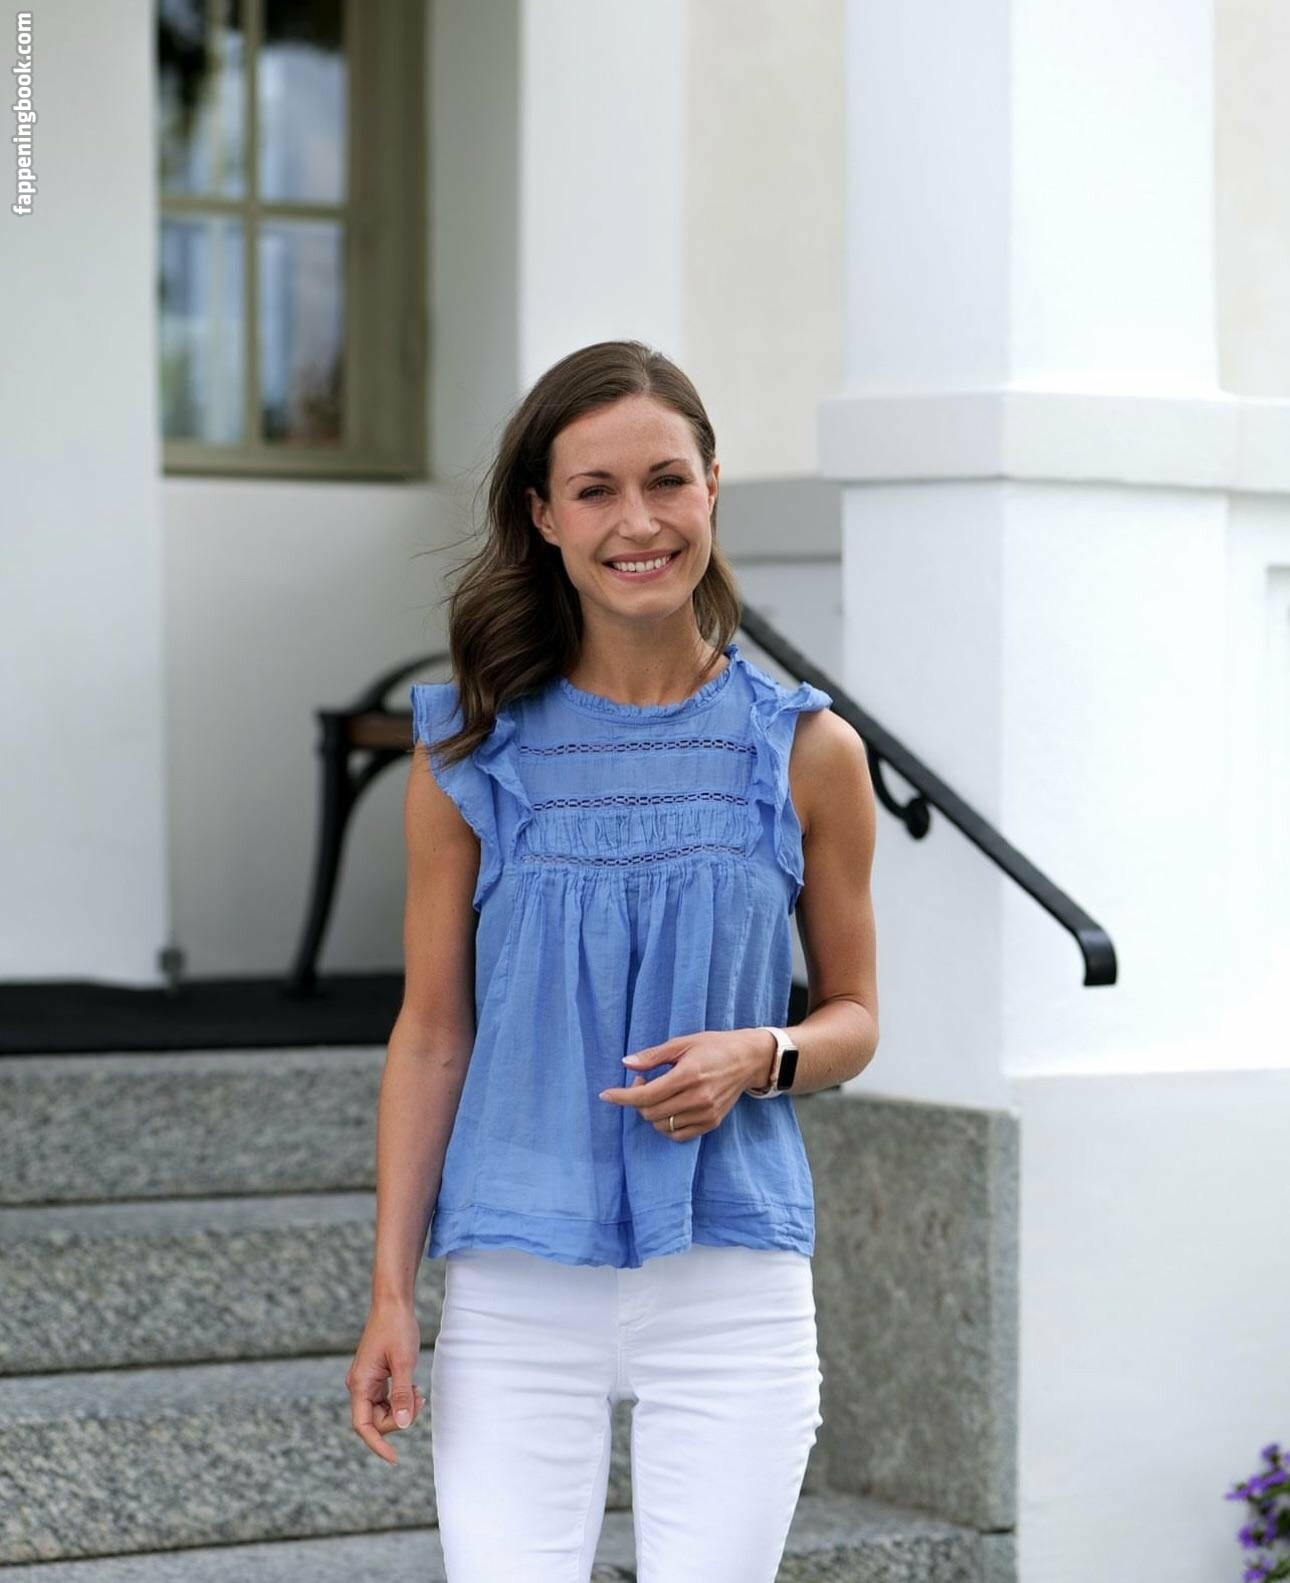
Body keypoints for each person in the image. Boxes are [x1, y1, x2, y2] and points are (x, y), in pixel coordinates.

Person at [346, 339, 879, 1581]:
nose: (638, 522)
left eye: (666, 481)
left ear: (711, 489)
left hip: (731, 1276)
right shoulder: (468, 751)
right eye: (595, 490)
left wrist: (762, 1053)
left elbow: (856, 1014)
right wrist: (390, 1292)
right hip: (516, 1279)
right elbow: (432, 1034)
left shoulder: (808, 751)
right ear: (544, 516)